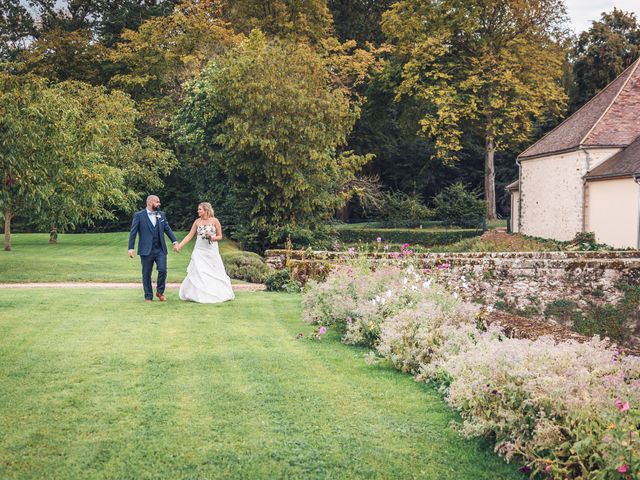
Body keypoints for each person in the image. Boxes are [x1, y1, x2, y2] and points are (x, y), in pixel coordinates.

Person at [175, 202, 235, 304]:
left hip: (211, 250)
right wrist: (179, 245)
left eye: (200, 209)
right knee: (199, 271)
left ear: (206, 210)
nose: (198, 211)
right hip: (199, 250)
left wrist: (212, 237)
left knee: (213, 271)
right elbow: (190, 235)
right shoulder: (197, 222)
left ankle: (216, 293)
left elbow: (220, 236)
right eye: (198, 209)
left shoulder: (215, 221)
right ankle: (198, 295)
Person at [128, 195, 179, 302]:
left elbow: (167, 229)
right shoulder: (139, 215)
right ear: (150, 202)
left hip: (160, 249)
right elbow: (133, 232)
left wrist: (175, 242)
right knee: (146, 273)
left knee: (163, 270)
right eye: (157, 202)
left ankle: (160, 292)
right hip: (146, 250)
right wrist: (131, 248)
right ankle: (148, 296)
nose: (159, 204)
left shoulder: (162, 215)